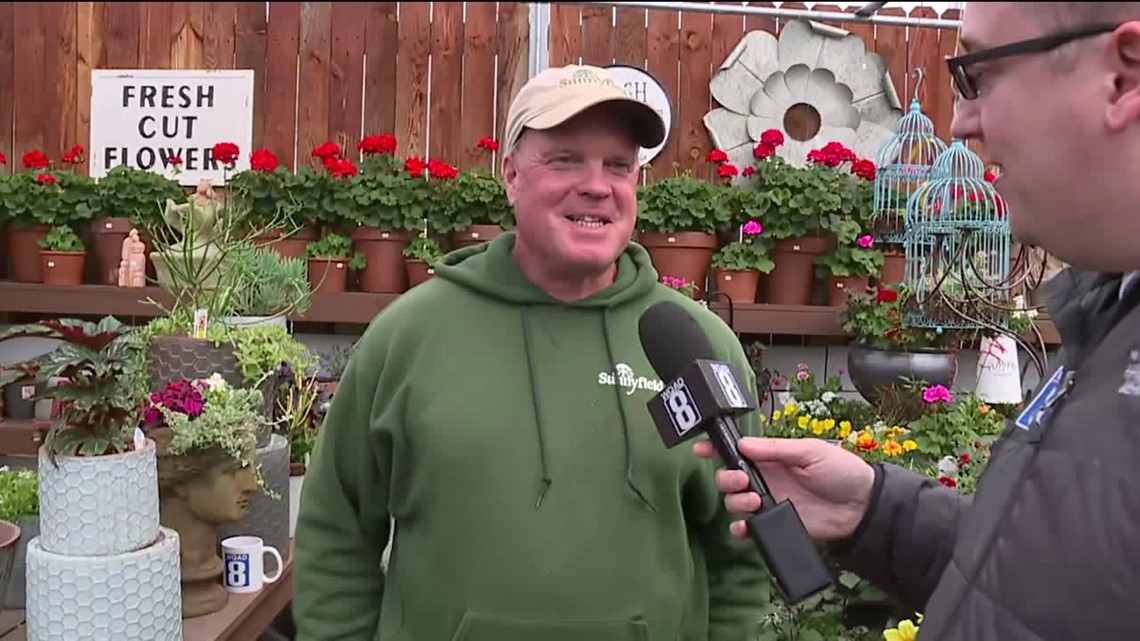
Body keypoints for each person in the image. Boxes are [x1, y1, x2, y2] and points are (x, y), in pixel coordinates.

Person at [697, 3, 1140, 640]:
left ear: (1123, 78)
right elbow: (1055, 593)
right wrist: (877, 513)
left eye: (981, 76)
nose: (960, 122)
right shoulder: (1110, 313)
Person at [293, 64, 772, 640]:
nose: (597, 184)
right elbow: (337, 535)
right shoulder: (407, 338)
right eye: (565, 159)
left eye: (618, 166)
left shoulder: (695, 347)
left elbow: (739, 553)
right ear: (512, 175)